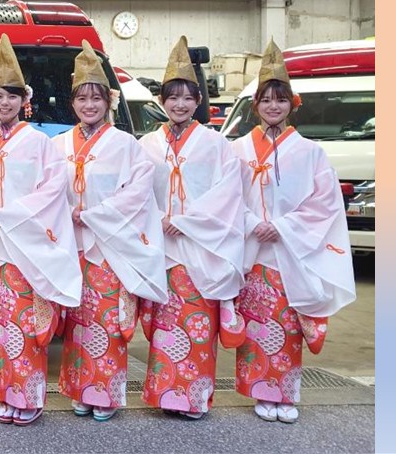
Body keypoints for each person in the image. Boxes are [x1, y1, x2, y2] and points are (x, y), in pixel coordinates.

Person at [224, 41, 355, 424]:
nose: (273, 106)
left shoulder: (311, 152)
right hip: (252, 250)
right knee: (257, 324)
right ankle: (260, 392)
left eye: (280, 100)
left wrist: (281, 226)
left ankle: (285, 392)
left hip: (290, 251)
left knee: (285, 325)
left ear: (292, 104)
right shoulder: (237, 150)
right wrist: (252, 223)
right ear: (255, 105)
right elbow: (225, 198)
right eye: (266, 100)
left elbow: (325, 203)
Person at [0, 34, 81, 427]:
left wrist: (9, 214)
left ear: (23, 100)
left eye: (12, 96)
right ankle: (1, 392)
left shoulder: (40, 143)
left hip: (25, 248)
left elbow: (52, 190)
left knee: (26, 327)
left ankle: (27, 397)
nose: (5, 103)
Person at [49, 41, 168, 422]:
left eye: (96, 98)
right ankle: (79, 389)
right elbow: (46, 190)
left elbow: (138, 191)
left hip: (108, 246)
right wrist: (64, 212)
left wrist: (94, 215)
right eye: (82, 98)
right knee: (77, 322)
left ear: (109, 101)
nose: (89, 105)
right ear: (72, 103)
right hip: (71, 245)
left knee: (107, 321)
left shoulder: (126, 145)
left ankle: (105, 392)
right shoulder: (57, 145)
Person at [137, 36, 246, 420]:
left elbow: (228, 194)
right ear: (162, 101)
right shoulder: (148, 145)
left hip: (201, 246)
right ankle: (166, 394)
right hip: (162, 247)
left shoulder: (216, 145)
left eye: (187, 97)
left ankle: (195, 397)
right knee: (166, 324)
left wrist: (185, 222)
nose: (180, 104)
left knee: (198, 324)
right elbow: (136, 192)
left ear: (199, 100)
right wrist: (157, 220)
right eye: (172, 97)